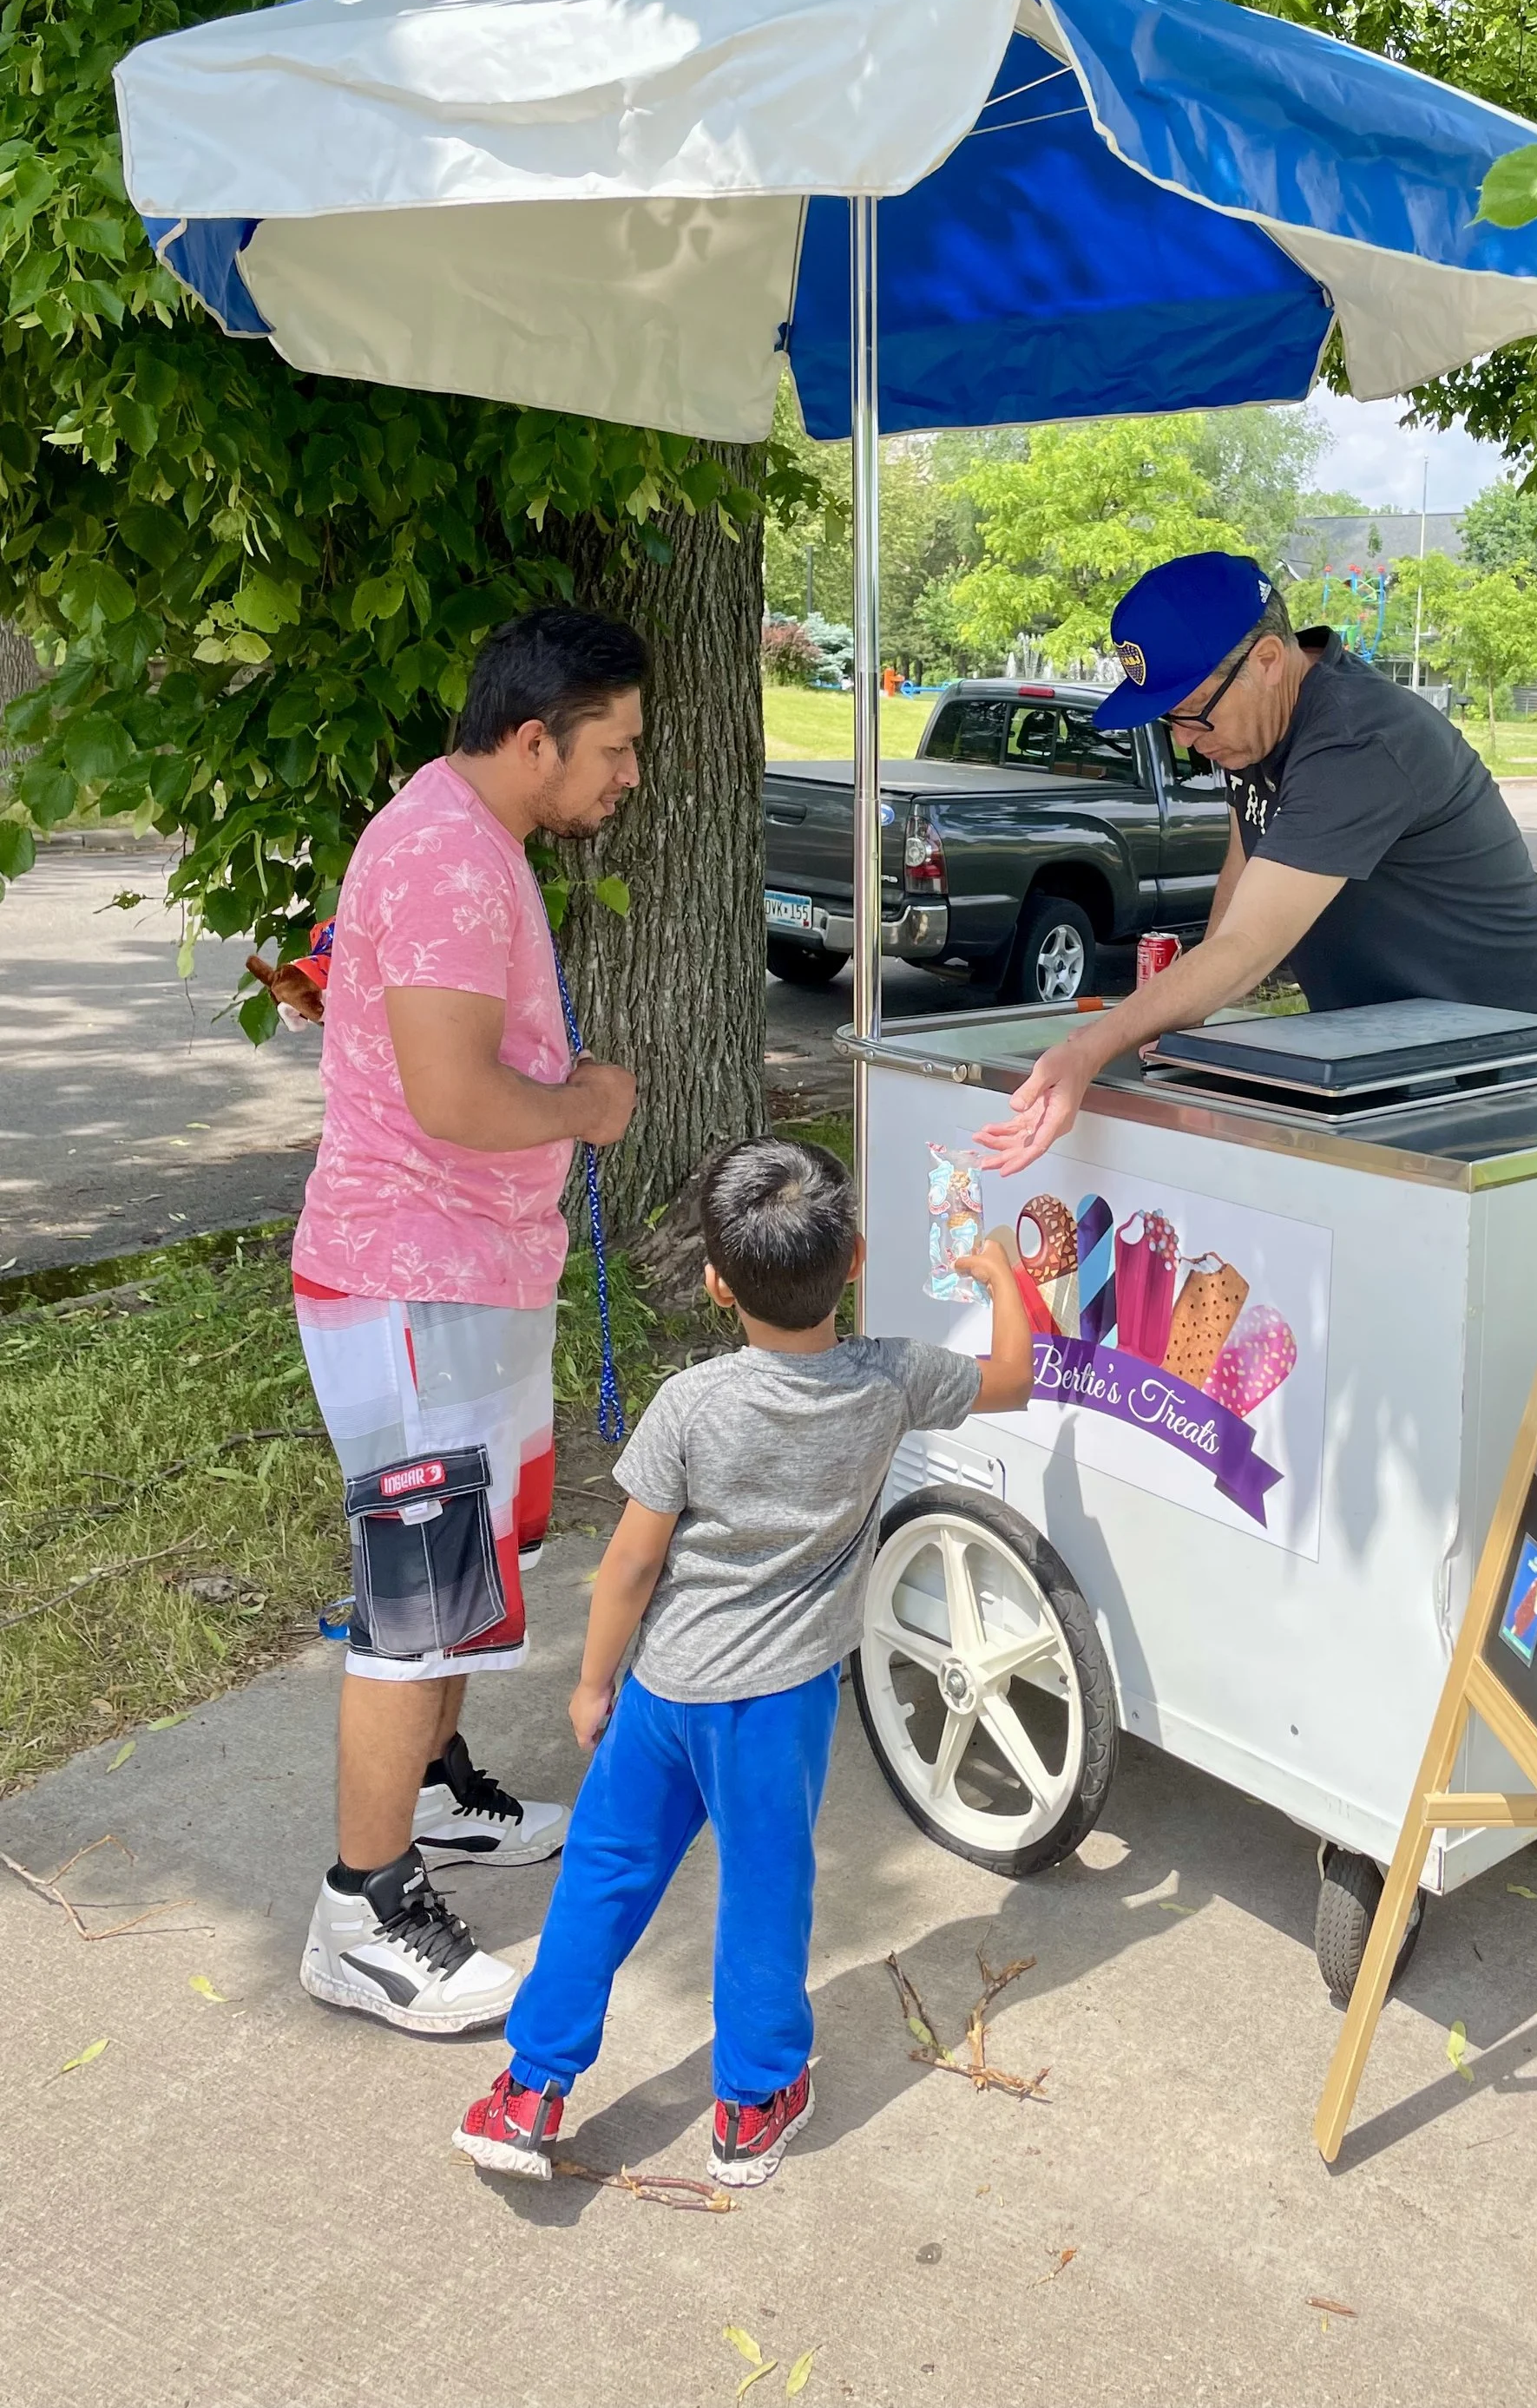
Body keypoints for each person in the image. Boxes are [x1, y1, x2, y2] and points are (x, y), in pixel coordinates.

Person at [451, 1136, 1033, 2186]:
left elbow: (630, 1565)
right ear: (853, 1259)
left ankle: (529, 2088)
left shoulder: (693, 1403)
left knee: (602, 1874)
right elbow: (1014, 1377)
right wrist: (1002, 1277)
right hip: (778, 1706)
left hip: (663, 1692)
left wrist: (593, 1685)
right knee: (765, 1889)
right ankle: (752, 2101)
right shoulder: (892, 1380)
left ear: (717, 1282)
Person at [293, 607, 647, 2034]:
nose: (627, 775)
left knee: (466, 1572)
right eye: (613, 748)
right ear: (531, 737)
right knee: (418, 1596)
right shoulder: (446, 854)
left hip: (467, 1273)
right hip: (412, 1279)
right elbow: (450, 1095)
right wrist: (588, 1104)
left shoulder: (468, 833)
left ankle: (430, 1796)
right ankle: (362, 1910)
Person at [978, 551, 1537, 1176]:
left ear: (1269, 661)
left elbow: (1250, 946)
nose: (1184, 740)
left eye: (1192, 714)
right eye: (1169, 720)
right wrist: (1178, 1017)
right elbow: (1242, 876)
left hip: (1529, 1042)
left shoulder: (1358, 742)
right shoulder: (1252, 729)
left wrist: (1089, 1047)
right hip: (1403, 1046)